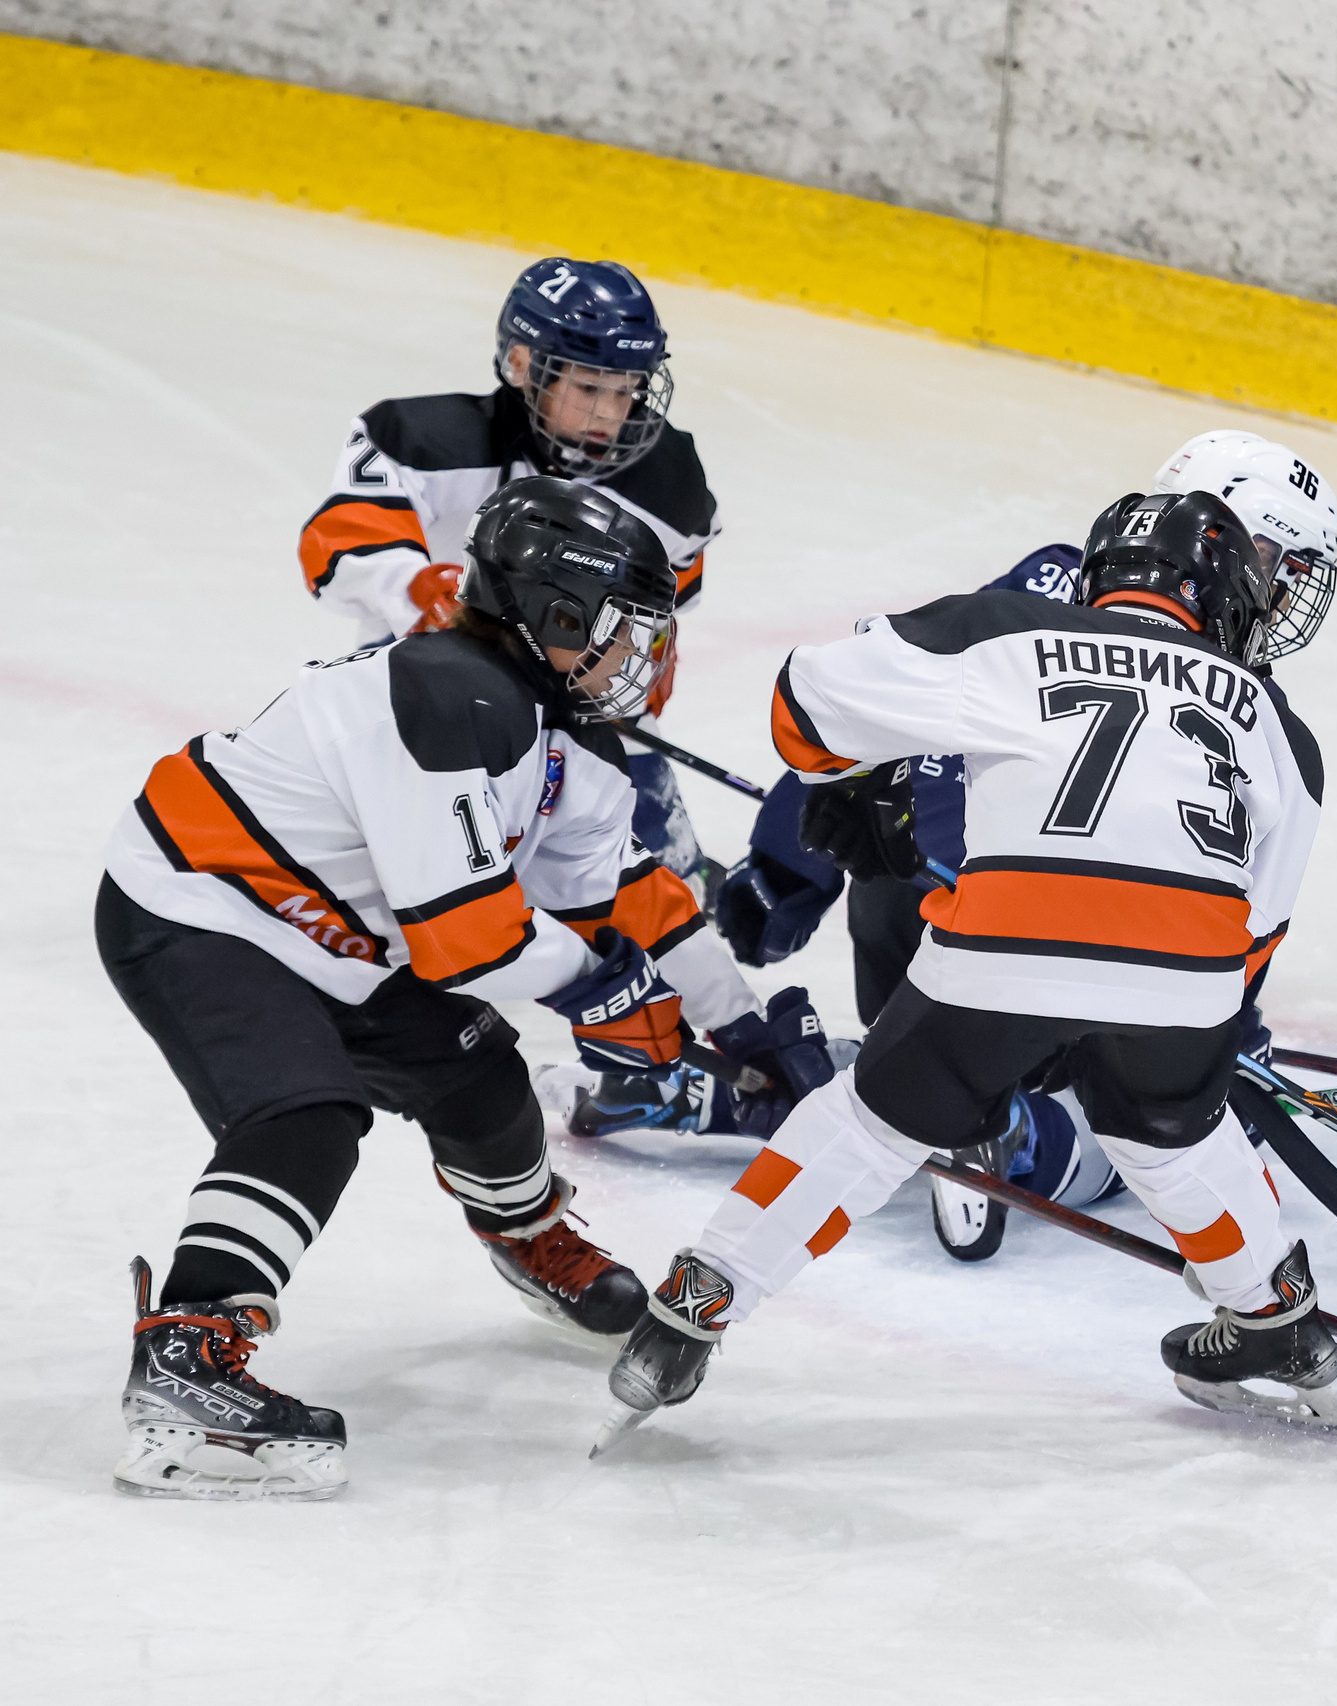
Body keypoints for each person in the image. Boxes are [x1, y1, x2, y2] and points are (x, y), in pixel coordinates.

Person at [104, 478, 832, 1502]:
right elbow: (465, 940)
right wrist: (602, 993)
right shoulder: (446, 694)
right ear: (556, 616)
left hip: (351, 938)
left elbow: (631, 904)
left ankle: (529, 1236)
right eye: (624, 632)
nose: (643, 659)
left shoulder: (573, 747)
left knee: (481, 1078)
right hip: (205, 903)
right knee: (306, 1116)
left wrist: (743, 1029)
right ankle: (188, 1351)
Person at [596, 489, 1337, 1451]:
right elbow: (1257, 932)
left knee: (868, 1124)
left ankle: (695, 1309)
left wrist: (863, 778)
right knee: (1175, 1135)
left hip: (1001, 950)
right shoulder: (1280, 725)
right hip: (1186, 969)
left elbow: (802, 702)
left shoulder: (1009, 628)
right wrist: (1134, 1015)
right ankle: (1278, 1320)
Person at [295, 257, 723, 891]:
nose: (611, 413)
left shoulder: (669, 478)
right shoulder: (422, 438)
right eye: (589, 388)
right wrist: (417, 589)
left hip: (579, 682)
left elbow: (672, 589)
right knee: (395, 870)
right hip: (429, 665)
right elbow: (340, 543)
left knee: (656, 885)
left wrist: (648, 653)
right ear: (524, 365)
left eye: (627, 389)